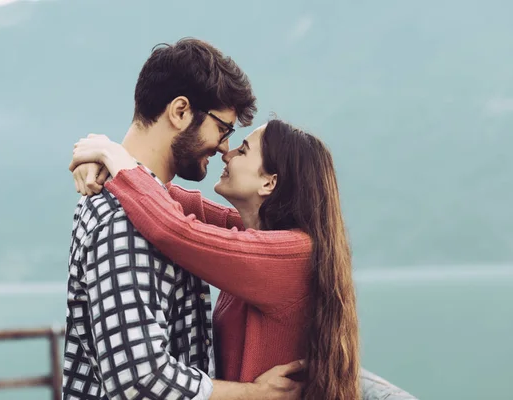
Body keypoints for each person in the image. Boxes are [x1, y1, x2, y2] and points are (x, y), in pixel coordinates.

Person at [62, 38, 305, 400]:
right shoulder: (122, 220)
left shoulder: (147, 205)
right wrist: (257, 394)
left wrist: (113, 157)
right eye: (224, 129)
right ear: (179, 111)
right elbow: (140, 381)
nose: (224, 147)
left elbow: (201, 224)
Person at [69, 119, 361, 400]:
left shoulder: (289, 255)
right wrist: (107, 155)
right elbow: (164, 199)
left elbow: (175, 229)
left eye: (243, 150)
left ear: (269, 183)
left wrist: (113, 157)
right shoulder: (259, 238)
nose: (227, 152)